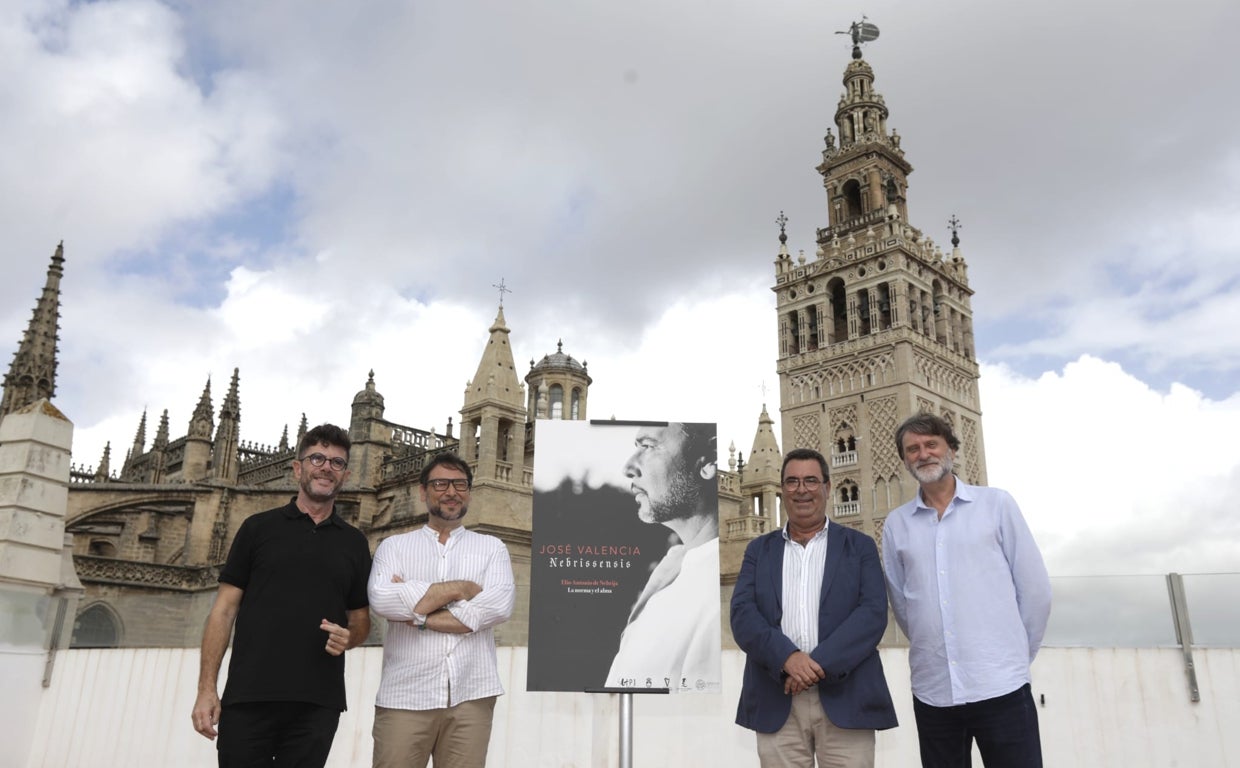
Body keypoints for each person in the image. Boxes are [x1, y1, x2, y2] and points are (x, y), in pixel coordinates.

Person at [191, 423, 372, 767]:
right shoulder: (257, 528)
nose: (326, 467)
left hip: (318, 703)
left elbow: (361, 620)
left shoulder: (354, 543)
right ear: (297, 468)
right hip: (249, 697)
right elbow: (223, 611)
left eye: (336, 462)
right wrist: (206, 689)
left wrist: (350, 638)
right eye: (317, 458)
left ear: (346, 475)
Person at [882, 413, 1052, 768]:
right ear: (905, 461)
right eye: (913, 449)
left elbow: (1034, 590)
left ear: (952, 450)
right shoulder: (897, 524)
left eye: (931, 444)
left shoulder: (996, 504)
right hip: (934, 691)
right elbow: (902, 602)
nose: (923, 454)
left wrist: (1013, 657)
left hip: (1000, 685)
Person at [731, 447, 897, 767]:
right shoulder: (758, 550)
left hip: (846, 698)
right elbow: (742, 615)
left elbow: (873, 613)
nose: (801, 490)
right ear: (782, 490)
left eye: (810, 480)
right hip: (776, 698)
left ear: (827, 487)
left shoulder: (859, 546)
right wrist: (787, 658)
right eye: (792, 482)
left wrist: (811, 666)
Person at [367, 452, 515, 768]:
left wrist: (417, 610)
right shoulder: (393, 547)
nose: (451, 492)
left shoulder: (492, 548)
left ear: (469, 492)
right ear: (423, 492)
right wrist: (462, 589)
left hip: (471, 696)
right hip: (405, 697)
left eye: (460, 484)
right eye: (440, 484)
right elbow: (382, 600)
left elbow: (498, 607)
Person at [604, 422, 721, 691]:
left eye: (648, 446)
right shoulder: (679, 568)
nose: (628, 467)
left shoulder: (716, 596)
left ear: (708, 463)